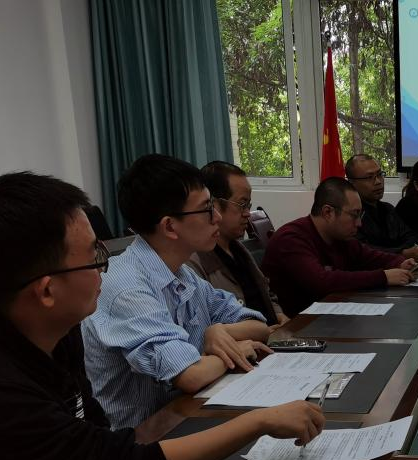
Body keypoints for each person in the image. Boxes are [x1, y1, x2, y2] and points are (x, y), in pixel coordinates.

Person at [0, 172, 324, 460]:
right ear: (47, 291)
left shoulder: (53, 321)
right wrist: (259, 421)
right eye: (94, 257)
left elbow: (96, 432)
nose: (104, 268)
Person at [82, 154, 274, 429]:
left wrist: (219, 331)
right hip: (144, 438)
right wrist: (233, 349)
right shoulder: (127, 288)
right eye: (207, 209)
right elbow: (190, 375)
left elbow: (259, 326)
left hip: (192, 413)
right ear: (170, 226)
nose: (217, 217)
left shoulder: (181, 273)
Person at [262, 177, 417, 316]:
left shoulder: (340, 237)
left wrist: (400, 262)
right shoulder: (291, 239)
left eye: (360, 216)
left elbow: (370, 256)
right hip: (295, 326)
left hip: (326, 317)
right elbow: (321, 281)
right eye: (354, 215)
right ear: (328, 212)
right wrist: (383, 277)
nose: (359, 223)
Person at [186, 160, 288, 326]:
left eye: (248, 205)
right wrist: (259, 332)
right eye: (242, 204)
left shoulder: (238, 248)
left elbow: (266, 292)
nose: (248, 213)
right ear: (213, 204)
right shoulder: (194, 260)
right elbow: (208, 326)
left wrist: (279, 315)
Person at [346, 154, 418, 261]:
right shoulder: (350, 216)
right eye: (369, 177)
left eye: (380, 174)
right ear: (352, 183)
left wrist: (401, 251)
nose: (378, 181)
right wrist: (401, 253)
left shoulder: (387, 209)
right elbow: (362, 251)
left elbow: (413, 237)